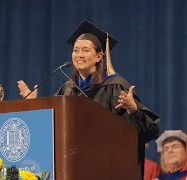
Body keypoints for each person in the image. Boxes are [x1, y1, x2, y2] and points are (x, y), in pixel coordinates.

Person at [17, 20, 160, 179]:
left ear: (99, 56)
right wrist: (35, 105)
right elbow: (51, 130)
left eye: (85, 50)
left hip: (108, 171)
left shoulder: (115, 86)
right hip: (73, 169)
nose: (79, 55)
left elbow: (151, 130)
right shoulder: (68, 89)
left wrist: (134, 110)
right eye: (76, 50)